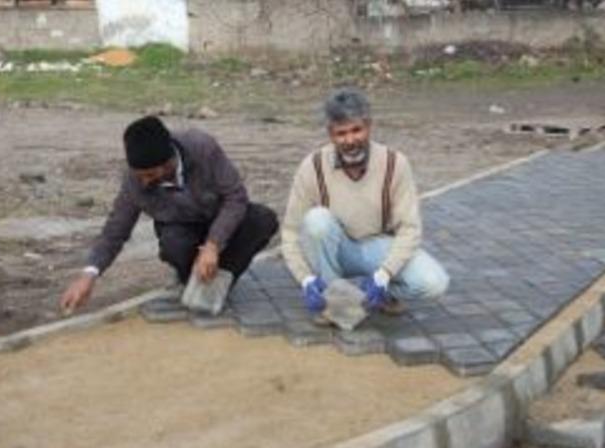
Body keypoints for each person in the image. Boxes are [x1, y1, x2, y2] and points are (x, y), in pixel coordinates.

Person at [60, 116, 278, 314]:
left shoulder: (202, 148)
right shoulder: (134, 181)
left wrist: (213, 245)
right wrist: (89, 275)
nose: (144, 181)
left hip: (219, 221)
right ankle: (190, 277)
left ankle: (216, 279)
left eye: (150, 175)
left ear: (169, 163)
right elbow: (115, 230)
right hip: (181, 229)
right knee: (174, 244)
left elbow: (235, 197)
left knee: (262, 220)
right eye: (139, 176)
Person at [281, 87, 449, 317]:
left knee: (434, 283)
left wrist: (384, 274)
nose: (350, 140)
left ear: (368, 126)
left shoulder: (395, 163)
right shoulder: (313, 166)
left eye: (356, 130)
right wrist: (305, 279)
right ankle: (334, 302)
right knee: (316, 221)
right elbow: (290, 233)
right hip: (335, 249)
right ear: (330, 134)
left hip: (377, 246)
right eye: (341, 133)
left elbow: (410, 229)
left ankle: (373, 293)